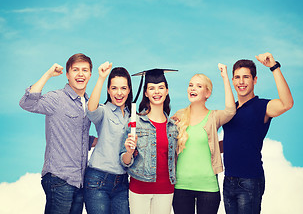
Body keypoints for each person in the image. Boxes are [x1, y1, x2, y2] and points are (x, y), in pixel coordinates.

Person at [19, 53, 95, 214]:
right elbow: (27, 103)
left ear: (90, 74)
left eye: (84, 70)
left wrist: (98, 141)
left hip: (79, 181)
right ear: (67, 74)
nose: (80, 74)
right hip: (59, 179)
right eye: (75, 70)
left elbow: (76, 136)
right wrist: (48, 74)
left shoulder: (89, 103)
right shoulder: (56, 99)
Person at [222, 52, 294, 214]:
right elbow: (231, 142)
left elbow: (287, 103)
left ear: (254, 80)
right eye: (237, 77)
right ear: (232, 80)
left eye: (246, 77)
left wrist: (274, 67)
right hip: (228, 180)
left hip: (249, 181)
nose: (241, 81)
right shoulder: (231, 110)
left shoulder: (262, 107)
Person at [172, 64, 236, 214]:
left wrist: (225, 77)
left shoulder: (214, 117)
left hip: (208, 188)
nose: (192, 89)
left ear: (208, 93)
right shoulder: (179, 116)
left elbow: (231, 110)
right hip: (181, 187)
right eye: (190, 85)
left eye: (199, 86)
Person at [120, 69, 178, 214]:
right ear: (146, 93)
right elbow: (125, 161)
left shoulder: (173, 127)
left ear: (167, 91)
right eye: (151, 88)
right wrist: (129, 152)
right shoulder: (135, 123)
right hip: (139, 189)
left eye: (161, 87)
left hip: (166, 190)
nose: (156, 92)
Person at [83, 61, 132, 214]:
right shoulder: (103, 111)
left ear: (129, 90)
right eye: (114, 88)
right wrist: (101, 78)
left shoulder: (133, 117)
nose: (119, 93)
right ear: (108, 91)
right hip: (97, 180)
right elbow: (90, 109)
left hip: (122, 183)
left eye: (123, 88)